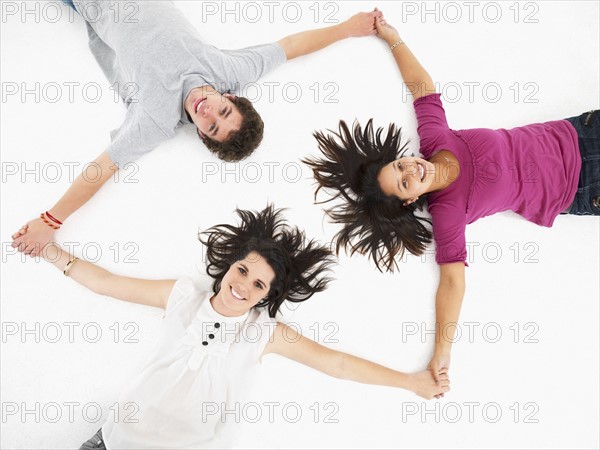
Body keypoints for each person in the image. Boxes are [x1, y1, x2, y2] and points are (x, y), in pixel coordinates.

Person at [303, 10, 599, 390]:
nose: (412, 170)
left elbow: (422, 85)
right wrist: (442, 354)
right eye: (405, 182)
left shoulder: (436, 139)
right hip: (583, 187)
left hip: (579, 134)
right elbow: (452, 284)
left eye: (400, 165)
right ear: (409, 201)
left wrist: (391, 37)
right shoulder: (448, 211)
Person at [37, 205, 449, 449]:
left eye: (258, 285)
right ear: (229, 266)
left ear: (266, 296)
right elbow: (108, 285)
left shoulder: (263, 333)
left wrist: (411, 383)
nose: (242, 286)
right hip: (112, 441)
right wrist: (51, 252)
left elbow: (337, 364)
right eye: (242, 271)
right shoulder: (185, 296)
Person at [11, 0, 382, 257]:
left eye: (212, 126)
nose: (209, 113)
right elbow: (290, 46)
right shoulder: (230, 71)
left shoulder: (156, 120)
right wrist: (347, 28)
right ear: (230, 96)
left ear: (202, 135)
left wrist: (50, 221)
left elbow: (102, 169)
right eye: (223, 110)